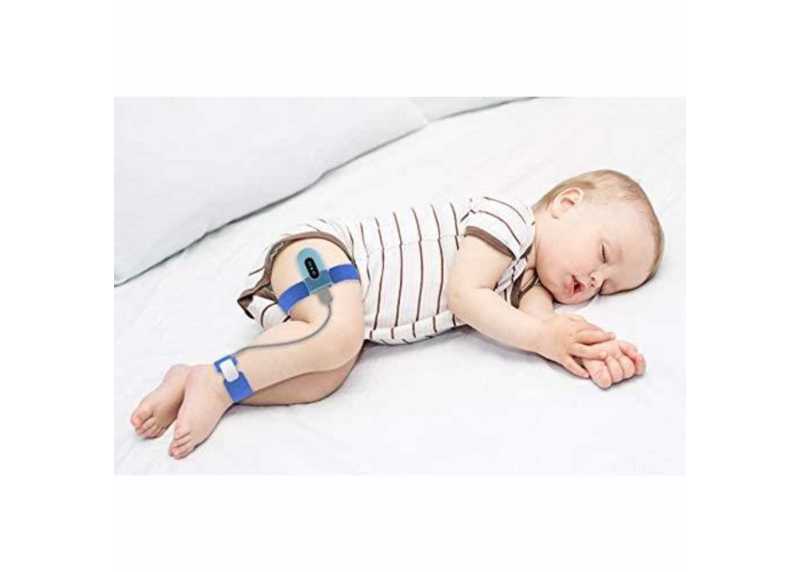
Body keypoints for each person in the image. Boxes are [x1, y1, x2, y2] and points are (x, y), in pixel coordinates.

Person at [130, 169, 663, 459]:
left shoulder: (526, 283)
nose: (595, 280)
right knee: (339, 337)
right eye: (603, 255)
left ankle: (201, 378)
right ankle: (220, 382)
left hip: (341, 312)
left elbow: (543, 330)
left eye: (609, 286)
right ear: (566, 204)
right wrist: (544, 337)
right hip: (321, 254)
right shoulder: (510, 223)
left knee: (326, 375)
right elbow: (467, 296)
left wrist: (591, 351)